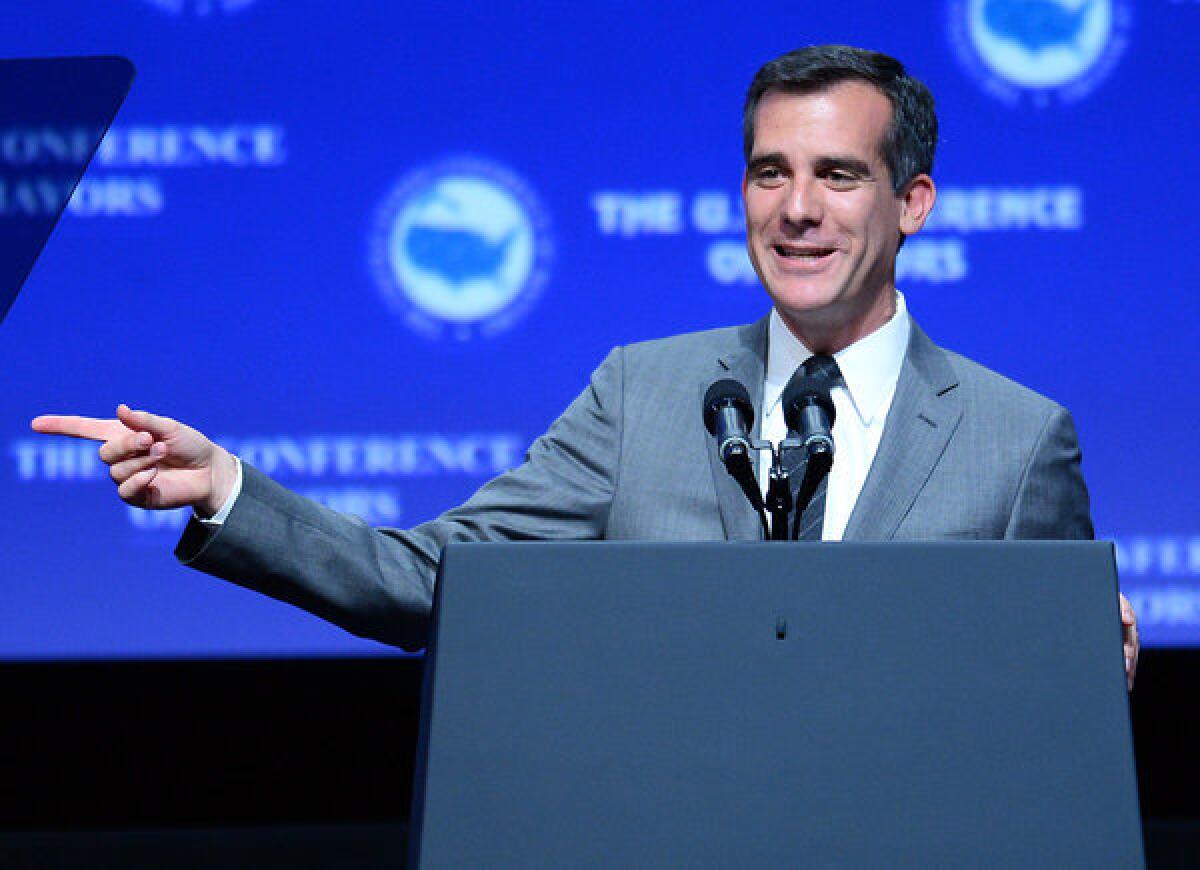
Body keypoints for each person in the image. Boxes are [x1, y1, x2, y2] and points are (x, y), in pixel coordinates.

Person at [32, 45, 1138, 685]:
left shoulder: (1015, 436)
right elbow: (431, 583)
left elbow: (1049, 706)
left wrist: (1096, 680)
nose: (796, 210)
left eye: (839, 176)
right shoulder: (643, 392)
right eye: (769, 173)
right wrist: (229, 488)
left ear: (912, 205)